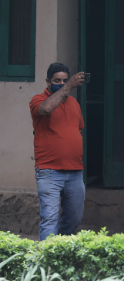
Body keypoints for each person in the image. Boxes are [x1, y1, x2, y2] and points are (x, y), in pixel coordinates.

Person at [29, 63, 86, 241]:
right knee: (50, 219)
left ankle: (59, 253)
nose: (61, 84)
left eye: (64, 80)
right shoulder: (38, 100)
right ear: (48, 81)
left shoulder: (74, 103)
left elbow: (79, 128)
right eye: (57, 81)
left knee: (74, 218)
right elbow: (46, 109)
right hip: (49, 171)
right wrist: (69, 85)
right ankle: (45, 264)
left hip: (75, 171)